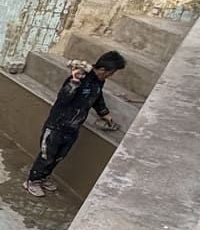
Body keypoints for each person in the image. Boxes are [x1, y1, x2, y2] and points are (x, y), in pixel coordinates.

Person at [23, 51, 125, 195]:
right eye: (112, 72)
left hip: (73, 127)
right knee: (47, 156)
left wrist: (104, 112)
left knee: (59, 156)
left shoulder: (99, 81)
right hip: (57, 125)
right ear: (103, 69)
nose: (111, 75)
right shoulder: (79, 78)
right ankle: (32, 180)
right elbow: (63, 99)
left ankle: (44, 177)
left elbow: (97, 97)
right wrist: (74, 83)